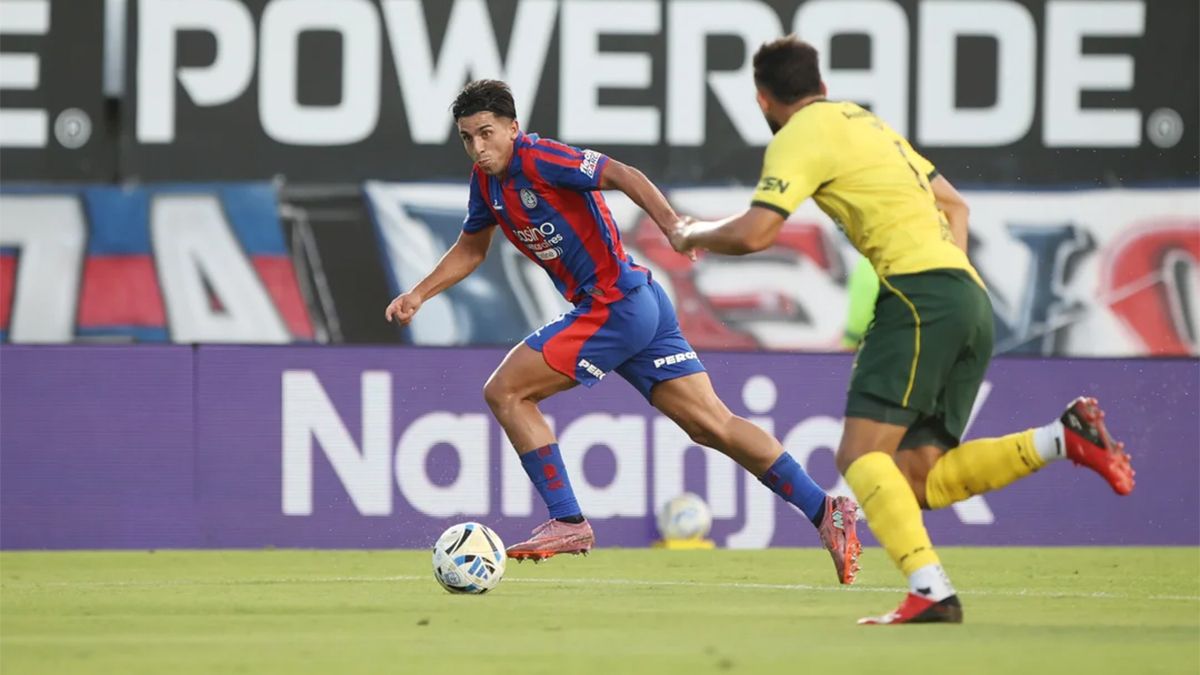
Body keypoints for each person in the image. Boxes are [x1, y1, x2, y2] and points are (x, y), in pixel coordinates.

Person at [666, 37, 1135, 624]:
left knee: (860, 455)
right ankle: (1062, 438)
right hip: (967, 296)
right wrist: (949, 281)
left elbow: (757, 232)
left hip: (917, 296)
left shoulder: (799, 134)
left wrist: (692, 234)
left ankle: (930, 590)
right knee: (918, 477)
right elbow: (955, 205)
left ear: (763, 99)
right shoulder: (867, 124)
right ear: (822, 86)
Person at [385, 79, 862, 584]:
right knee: (711, 425)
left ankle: (569, 521)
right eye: (467, 138)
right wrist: (420, 293)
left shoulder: (539, 158)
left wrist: (672, 226)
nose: (478, 148)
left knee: (506, 392)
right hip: (639, 301)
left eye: (486, 133)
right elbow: (472, 248)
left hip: (614, 305)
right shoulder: (486, 183)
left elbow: (621, 173)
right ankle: (825, 510)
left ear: (512, 128)